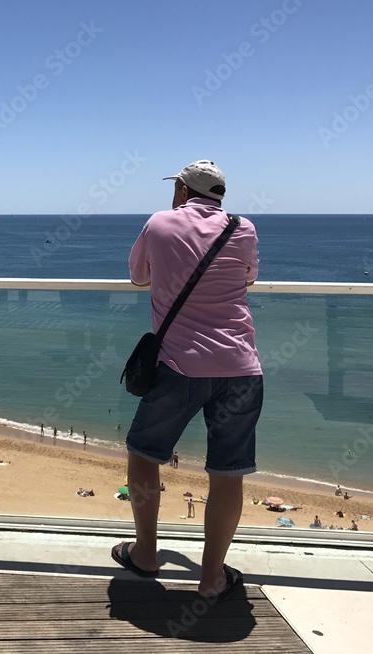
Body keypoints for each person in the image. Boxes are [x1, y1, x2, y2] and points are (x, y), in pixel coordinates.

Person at [112, 160, 262, 602]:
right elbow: (249, 277)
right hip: (240, 366)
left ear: (180, 190)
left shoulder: (160, 223)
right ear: (219, 194)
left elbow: (139, 276)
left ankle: (146, 554)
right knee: (227, 473)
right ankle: (212, 577)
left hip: (178, 367)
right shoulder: (244, 227)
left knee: (143, 453)